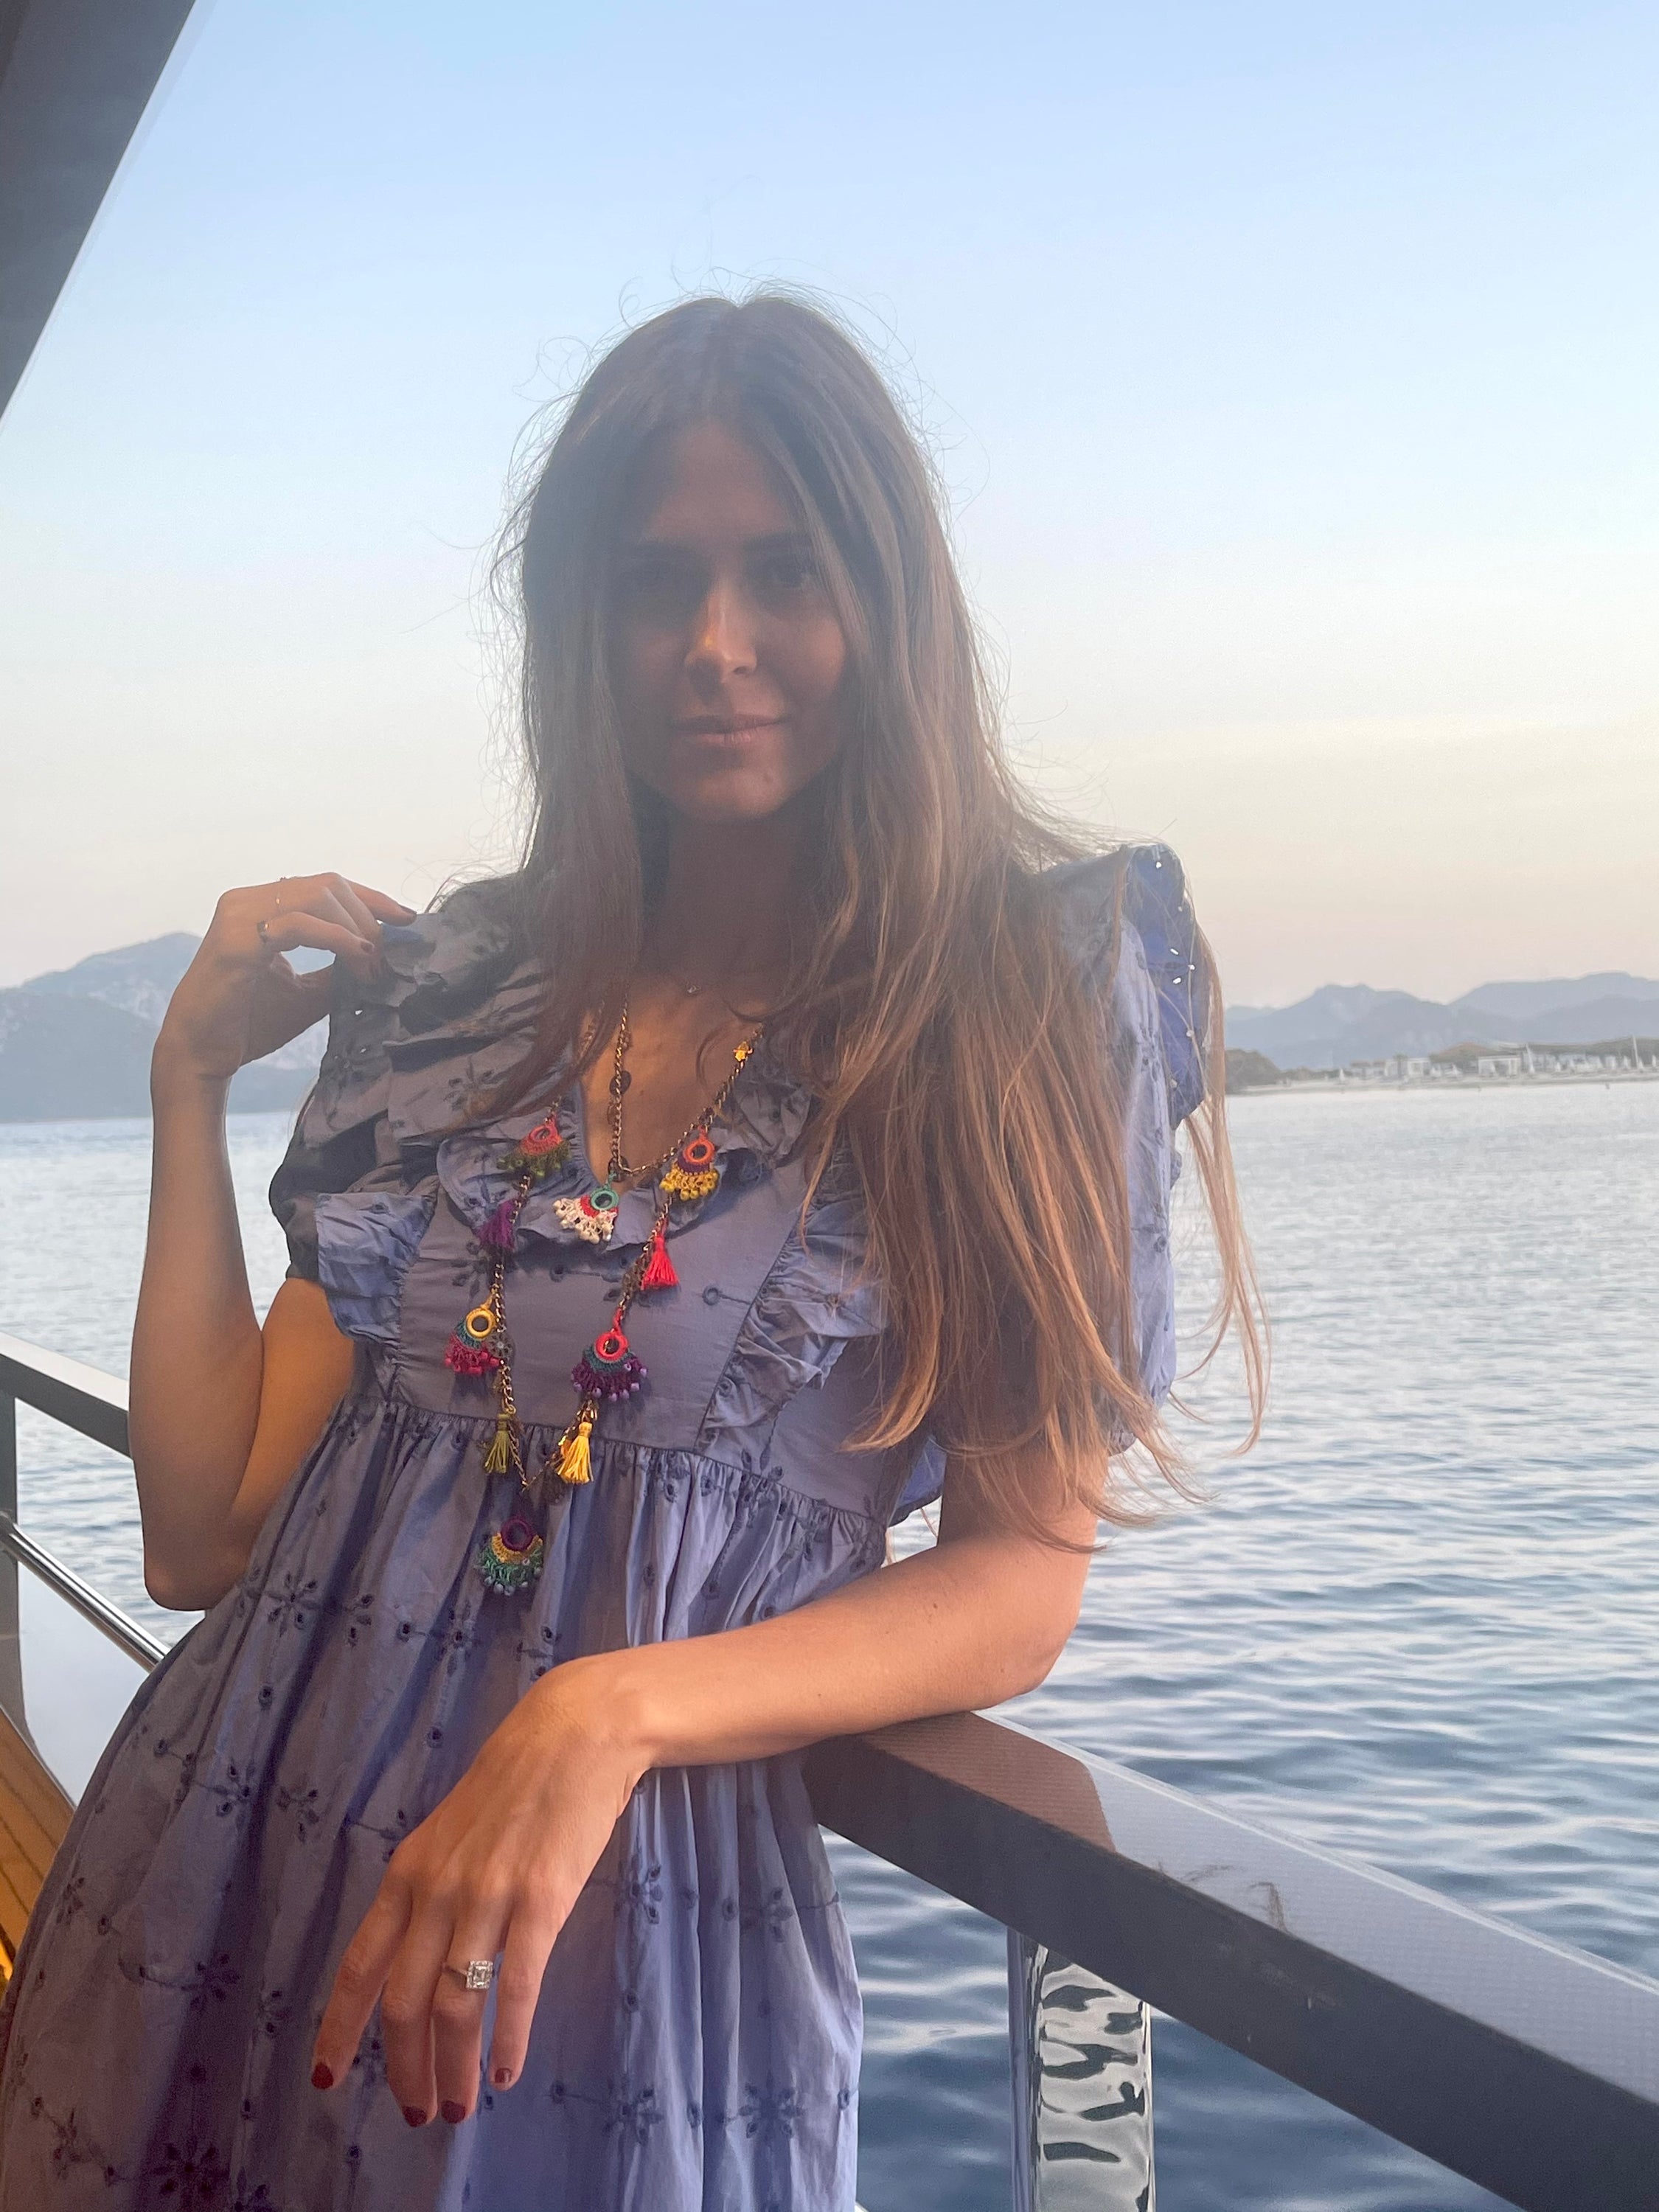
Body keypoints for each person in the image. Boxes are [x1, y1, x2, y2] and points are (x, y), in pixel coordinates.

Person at [0, 293, 1260, 2210]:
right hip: (235, 1880)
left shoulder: (1012, 1001)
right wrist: (186, 1084)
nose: (714, 646)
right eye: (654, 582)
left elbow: (1018, 1582)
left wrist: (609, 1709)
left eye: (785, 572)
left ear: (890, 606)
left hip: (620, 1953)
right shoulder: (463, 994)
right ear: (577, 628)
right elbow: (200, 1532)